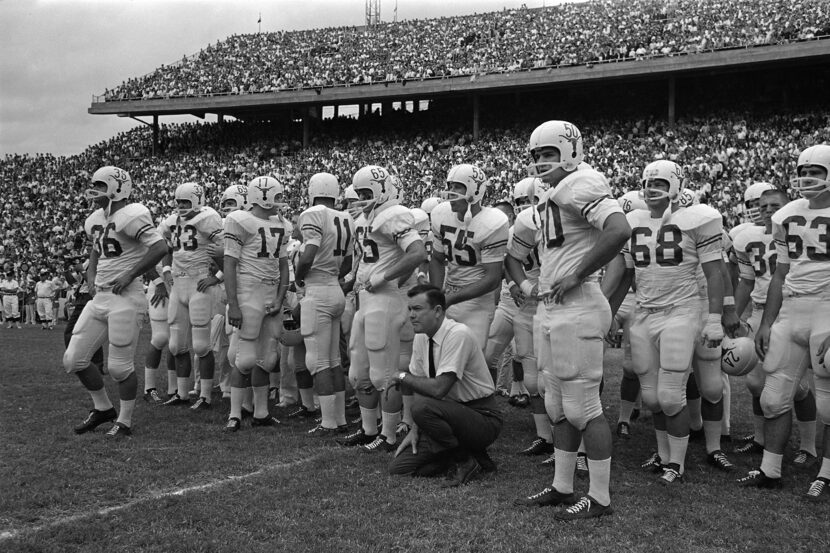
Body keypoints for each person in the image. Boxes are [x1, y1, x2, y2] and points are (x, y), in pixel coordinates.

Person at [514, 120, 630, 521]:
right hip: (554, 307)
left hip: (578, 304)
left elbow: (619, 229)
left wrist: (579, 273)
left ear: (571, 151)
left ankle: (599, 497)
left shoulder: (583, 181)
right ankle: (563, 486)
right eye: (537, 155)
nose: (542, 162)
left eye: (550, 153)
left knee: (583, 407)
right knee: (557, 404)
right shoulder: (552, 192)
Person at [605, 160, 731, 486]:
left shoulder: (697, 220)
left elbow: (716, 272)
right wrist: (607, 314)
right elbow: (626, 274)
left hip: (682, 310)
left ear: (676, 186)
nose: (651, 189)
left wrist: (715, 317)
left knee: (672, 395)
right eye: (647, 183)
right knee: (651, 398)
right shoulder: (632, 221)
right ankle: (663, 454)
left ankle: (677, 462)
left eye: (659, 182)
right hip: (645, 312)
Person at [741, 145, 830, 498]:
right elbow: (780, 273)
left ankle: (825, 472)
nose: (807, 178)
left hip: (827, 307)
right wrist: (766, 323)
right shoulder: (787, 214)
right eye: (803, 170)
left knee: (828, 403)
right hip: (792, 308)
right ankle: (771, 470)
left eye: (816, 172)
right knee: (772, 397)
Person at [63, 166, 168, 438]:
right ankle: (103, 409)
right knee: (74, 360)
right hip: (100, 295)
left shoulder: (133, 214)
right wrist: (90, 275)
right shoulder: (95, 218)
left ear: (117, 187)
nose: (93, 190)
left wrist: (130, 273)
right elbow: (96, 250)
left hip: (126, 296)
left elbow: (160, 247)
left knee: (119, 366)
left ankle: (124, 420)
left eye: (99, 185)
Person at [343, 165, 427, 451]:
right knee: (358, 372)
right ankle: (369, 429)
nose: (363, 198)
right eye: (360, 193)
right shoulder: (362, 220)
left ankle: (388, 435)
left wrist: (384, 276)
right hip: (365, 300)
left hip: (387, 299)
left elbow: (417, 253)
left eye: (368, 192)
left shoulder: (394, 213)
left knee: (383, 374)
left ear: (382, 189)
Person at [731, 187, 817, 463]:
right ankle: (761, 438)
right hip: (760, 313)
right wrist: (734, 314)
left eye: (773, 205)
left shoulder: (801, 228)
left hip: (793, 310)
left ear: (787, 205)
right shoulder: (745, 237)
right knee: (756, 382)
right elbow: (746, 281)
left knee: (799, 386)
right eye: (762, 205)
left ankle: (807, 445)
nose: (767, 210)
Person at [389, 284, 502, 486]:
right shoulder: (421, 337)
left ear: (438, 311)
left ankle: (464, 460)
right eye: (410, 309)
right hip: (446, 414)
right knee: (400, 468)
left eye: (417, 309)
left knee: (422, 408)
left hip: (482, 416)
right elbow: (421, 385)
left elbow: (438, 389)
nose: (411, 316)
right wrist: (417, 427)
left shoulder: (458, 333)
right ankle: (471, 454)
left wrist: (402, 376)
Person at [223, 175, 290, 431]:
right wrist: (234, 303)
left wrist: (280, 297)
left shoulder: (282, 224)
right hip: (248, 292)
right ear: (264, 195)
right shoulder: (239, 220)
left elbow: (284, 264)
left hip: (271, 293)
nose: (281, 201)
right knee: (244, 358)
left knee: (267, 357)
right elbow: (230, 263)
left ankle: (261, 412)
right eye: (278, 195)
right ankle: (235, 414)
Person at [294, 172, 354, 434]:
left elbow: (308, 254)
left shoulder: (313, 213)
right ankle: (339, 418)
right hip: (335, 289)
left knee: (318, 362)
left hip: (317, 289)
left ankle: (328, 422)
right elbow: (349, 263)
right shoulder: (347, 216)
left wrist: (299, 276)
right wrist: (332, 275)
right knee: (332, 360)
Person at [158, 182, 224, 410]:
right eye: (179, 202)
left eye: (186, 202)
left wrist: (218, 276)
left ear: (197, 200)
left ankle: (205, 396)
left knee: (201, 345)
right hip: (178, 285)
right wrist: (166, 271)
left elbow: (227, 250)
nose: (182, 206)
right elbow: (164, 248)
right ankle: (182, 393)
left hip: (199, 284)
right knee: (176, 345)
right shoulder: (170, 222)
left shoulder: (209, 218)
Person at [429, 164, 509, 350]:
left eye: (457, 186)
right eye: (450, 186)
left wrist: (450, 299)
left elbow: (492, 278)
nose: (451, 191)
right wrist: (435, 293)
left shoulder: (492, 222)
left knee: (470, 362)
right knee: (441, 357)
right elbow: (437, 259)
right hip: (448, 294)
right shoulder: (441, 214)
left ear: (475, 190)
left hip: (477, 303)